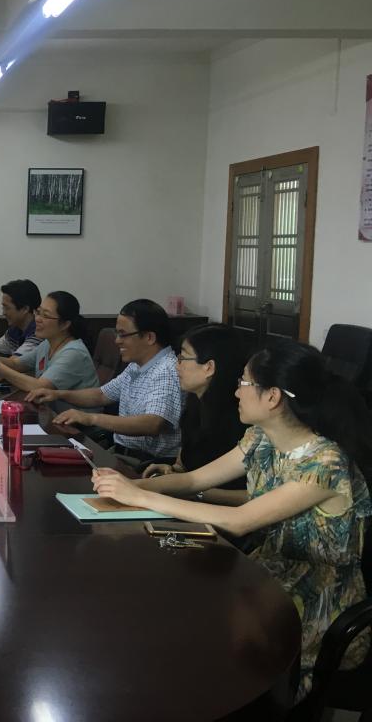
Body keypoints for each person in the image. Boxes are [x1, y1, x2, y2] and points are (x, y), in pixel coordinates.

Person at [92, 339, 372, 701]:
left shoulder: (324, 464)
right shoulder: (261, 438)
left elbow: (241, 521)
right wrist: (133, 485)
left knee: (200, 641)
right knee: (172, 608)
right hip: (267, 577)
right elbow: (195, 480)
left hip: (313, 601)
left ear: (272, 397)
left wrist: (141, 497)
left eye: (243, 382)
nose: (236, 392)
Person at [28, 299, 183, 464]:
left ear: (149, 337)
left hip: (148, 464)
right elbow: (102, 395)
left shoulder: (166, 370)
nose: (117, 341)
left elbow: (152, 423)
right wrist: (57, 394)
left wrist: (91, 418)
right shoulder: (137, 365)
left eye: (123, 334)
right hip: (123, 454)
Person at [142, 323, 248, 504]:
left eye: (183, 357)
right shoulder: (195, 404)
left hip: (219, 511)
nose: (177, 365)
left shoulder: (241, 419)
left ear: (209, 367)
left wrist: (190, 491)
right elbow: (184, 467)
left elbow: (254, 496)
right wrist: (171, 471)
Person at [0, 291, 98, 397]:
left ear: (65, 324)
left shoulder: (73, 353)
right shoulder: (47, 344)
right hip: (51, 414)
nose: (37, 319)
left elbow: (40, 387)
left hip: (78, 420)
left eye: (45, 316)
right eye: (38, 312)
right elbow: (17, 364)